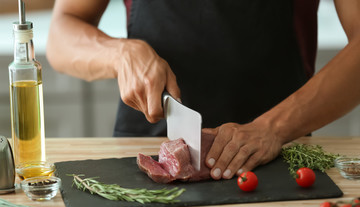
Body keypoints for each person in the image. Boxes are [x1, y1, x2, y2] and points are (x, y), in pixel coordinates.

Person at [47, 0, 360, 181]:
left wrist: (272, 129)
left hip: (280, 155)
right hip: (151, 148)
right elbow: (63, 31)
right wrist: (118, 53)